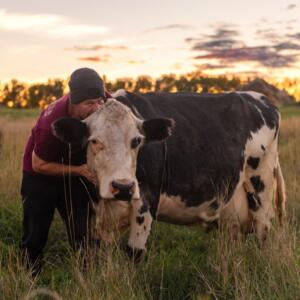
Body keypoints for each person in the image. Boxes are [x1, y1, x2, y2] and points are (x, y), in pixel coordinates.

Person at [21, 67, 110, 276]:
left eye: (99, 101)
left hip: (76, 175)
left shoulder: (99, 98)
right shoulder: (50, 123)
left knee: (83, 229)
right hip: (40, 178)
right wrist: (79, 170)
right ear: (73, 101)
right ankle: (28, 278)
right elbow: (38, 164)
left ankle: (88, 279)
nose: (97, 108)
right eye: (89, 104)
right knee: (35, 232)